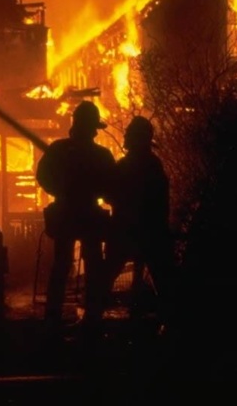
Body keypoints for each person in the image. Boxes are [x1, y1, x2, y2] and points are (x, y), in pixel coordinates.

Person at [36, 101, 116, 333]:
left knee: (61, 266)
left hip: (66, 213)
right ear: (93, 128)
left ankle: (52, 318)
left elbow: (43, 176)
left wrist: (61, 192)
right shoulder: (101, 155)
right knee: (93, 265)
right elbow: (111, 185)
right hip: (90, 214)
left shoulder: (59, 150)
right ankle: (92, 317)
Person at [104, 115, 175, 328]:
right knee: (163, 278)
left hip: (127, 232)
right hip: (152, 232)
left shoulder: (125, 166)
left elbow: (110, 196)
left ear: (135, 139)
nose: (124, 136)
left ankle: (92, 320)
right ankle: (171, 322)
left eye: (128, 134)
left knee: (106, 275)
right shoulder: (155, 165)